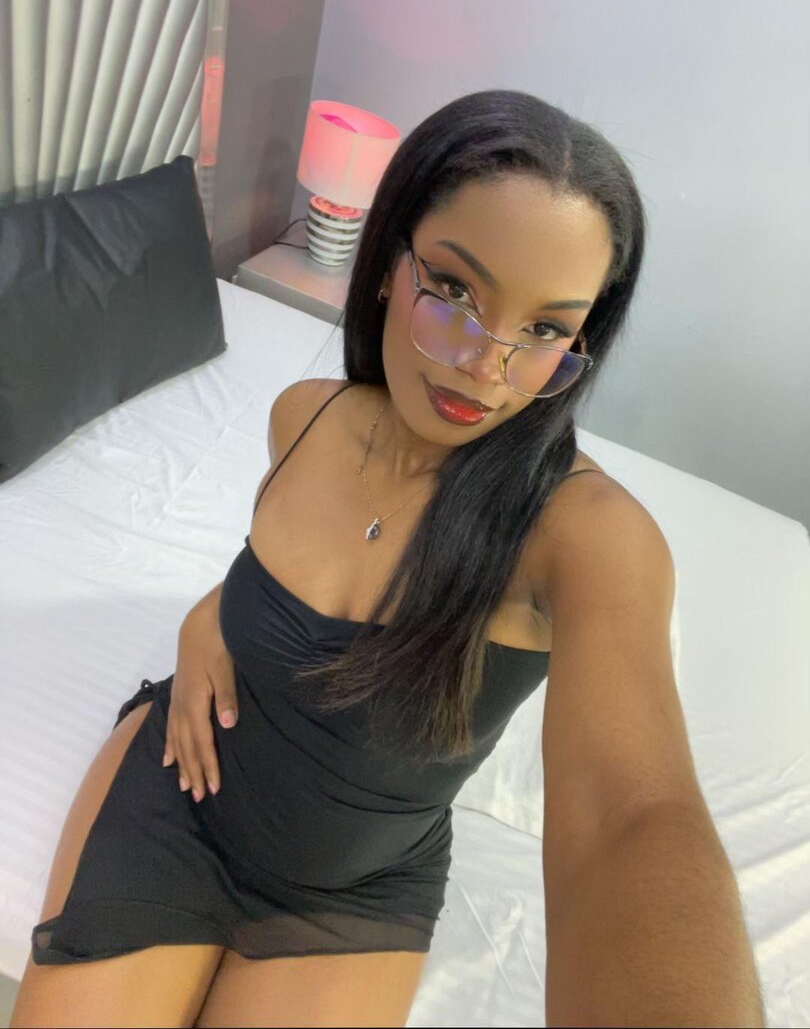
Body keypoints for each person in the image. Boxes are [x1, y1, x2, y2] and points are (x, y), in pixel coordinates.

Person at [11, 89, 764, 1028]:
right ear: (386, 265)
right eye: (454, 290)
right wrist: (212, 616)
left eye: (543, 331)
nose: (485, 367)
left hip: (352, 895)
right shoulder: (303, 417)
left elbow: (631, 818)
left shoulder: (588, 535)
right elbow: (277, 571)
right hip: (180, 788)